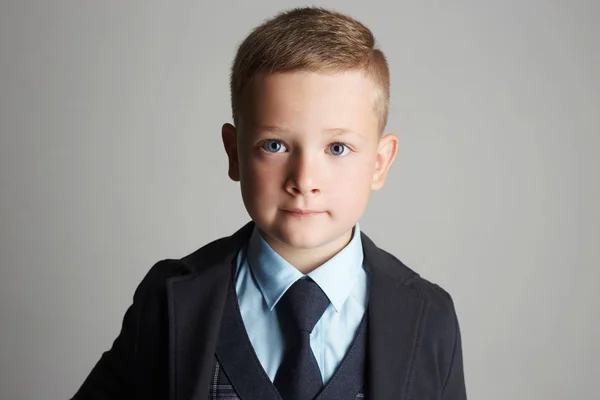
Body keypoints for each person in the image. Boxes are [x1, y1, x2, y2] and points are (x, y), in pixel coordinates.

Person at [72, 6, 466, 400]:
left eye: (337, 147)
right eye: (274, 145)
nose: (304, 180)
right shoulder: (170, 299)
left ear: (379, 163)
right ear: (235, 154)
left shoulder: (428, 314)